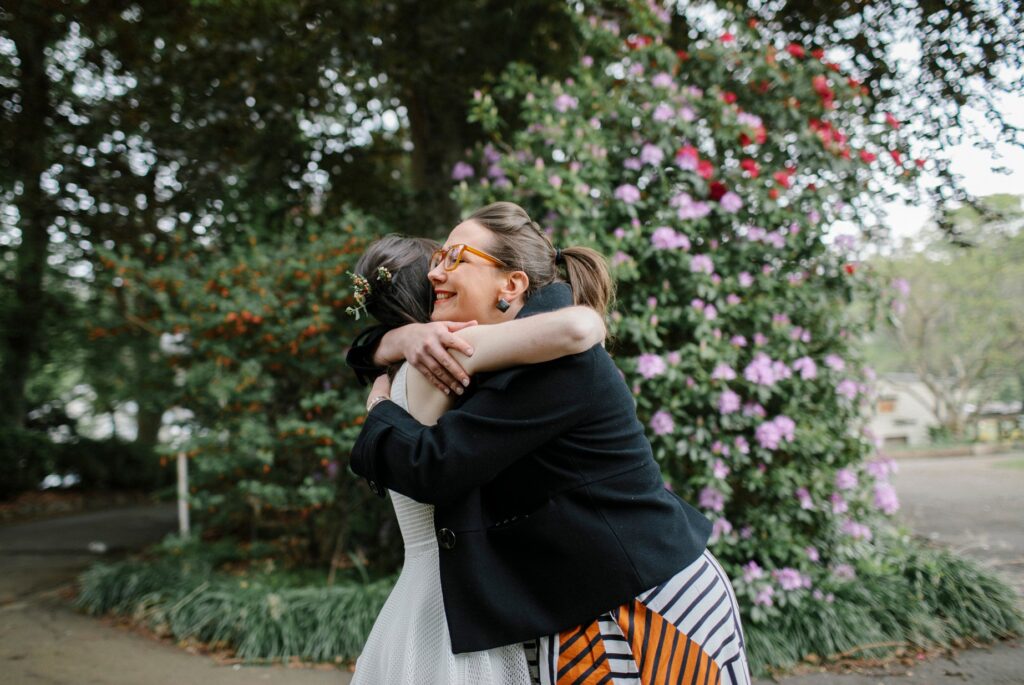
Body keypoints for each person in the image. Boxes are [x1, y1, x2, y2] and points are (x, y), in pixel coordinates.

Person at [350, 202, 752, 685]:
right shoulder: (505, 351)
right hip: (578, 608)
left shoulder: (558, 362)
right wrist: (393, 341)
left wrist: (378, 409)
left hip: (640, 605)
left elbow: (437, 466)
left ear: (512, 284)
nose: (438, 269)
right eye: (438, 259)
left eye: (455, 257)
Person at [347, 234, 608, 685]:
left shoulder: (401, 370)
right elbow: (577, 330)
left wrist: (387, 347)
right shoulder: (451, 354)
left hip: (415, 587)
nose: (444, 273)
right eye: (441, 267)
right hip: (456, 595)